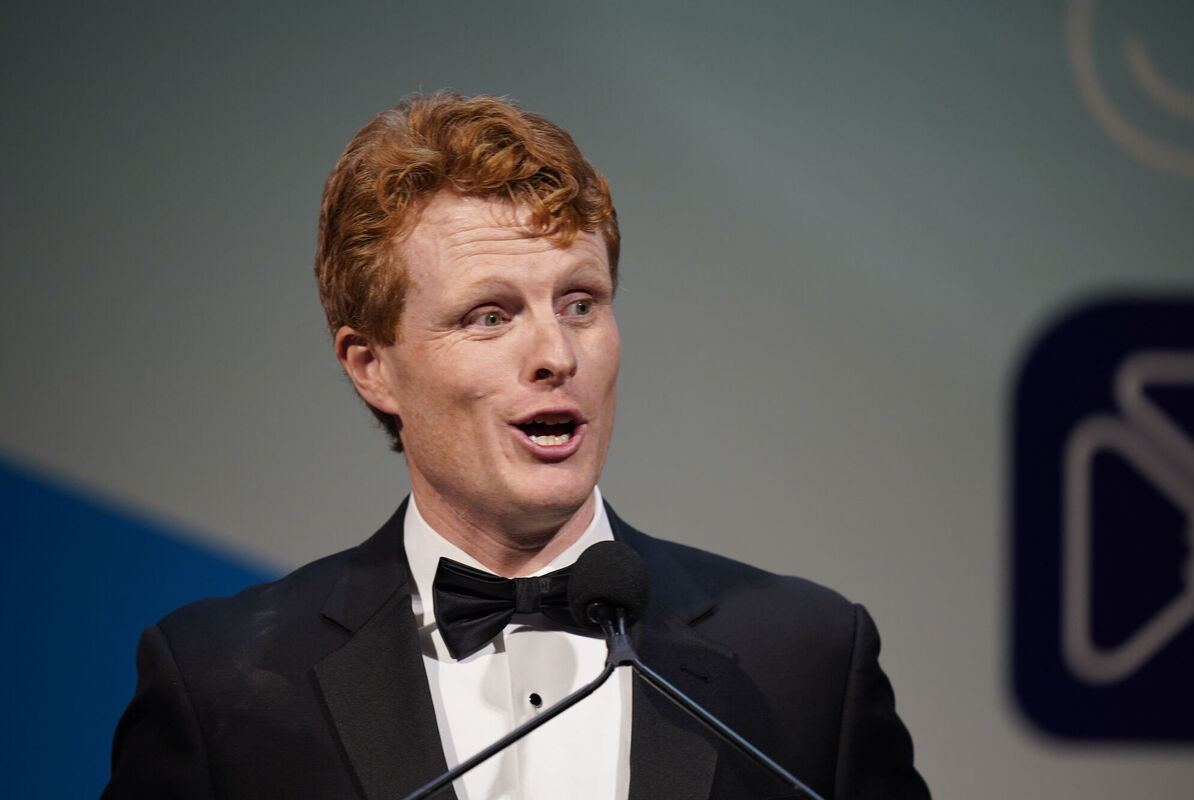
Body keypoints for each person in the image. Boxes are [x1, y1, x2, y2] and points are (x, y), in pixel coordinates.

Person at [102, 92, 930, 799]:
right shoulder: (223, 687)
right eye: (490, 315)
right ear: (371, 367)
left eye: (580, 303)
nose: (556, 355)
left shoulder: (806, 660)